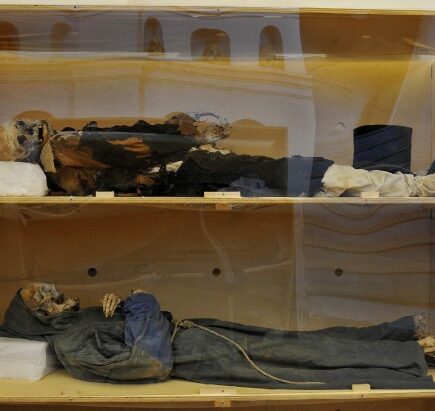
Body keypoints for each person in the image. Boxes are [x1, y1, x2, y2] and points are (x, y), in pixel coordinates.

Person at [1, 283, 434, 389]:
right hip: (197, 354)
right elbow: (148, 363)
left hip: (198, 335)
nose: (59, 294)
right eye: (46, 298)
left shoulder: (76, 328)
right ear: (38, 318)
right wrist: (142, 302)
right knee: (307, 357)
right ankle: (414, 358)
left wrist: (137, 309)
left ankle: (400, 335)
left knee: (306, 341)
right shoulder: (71, 343)